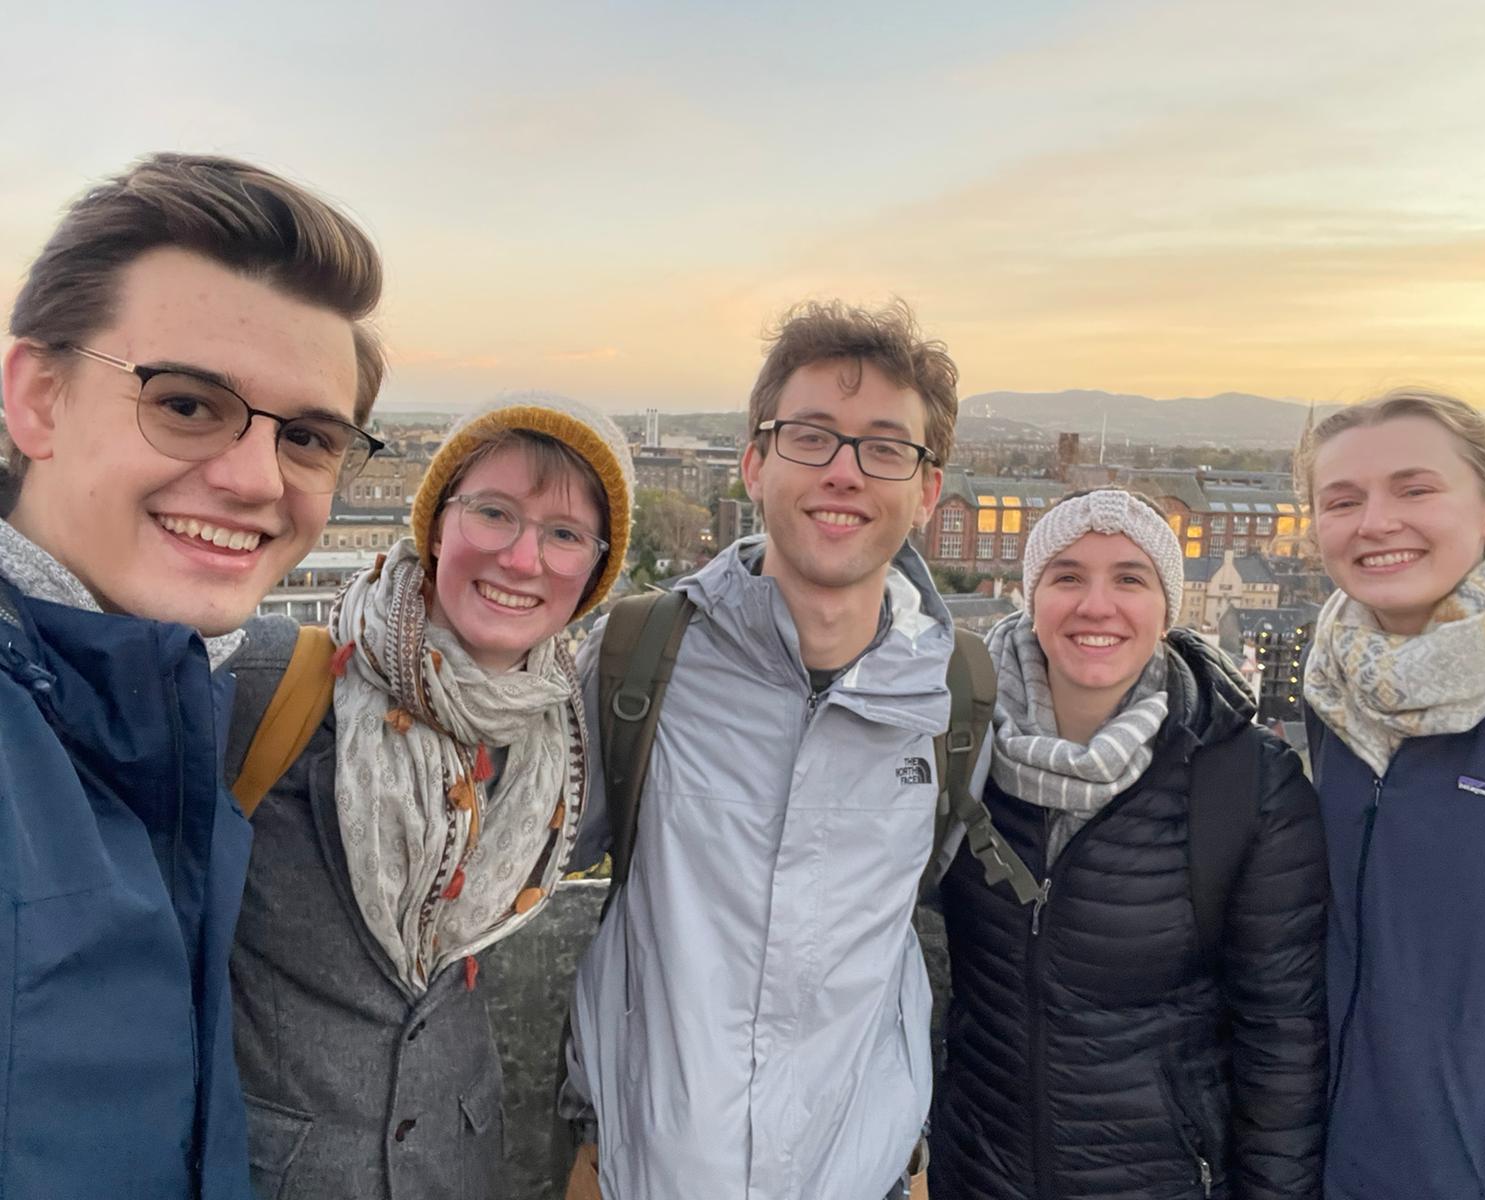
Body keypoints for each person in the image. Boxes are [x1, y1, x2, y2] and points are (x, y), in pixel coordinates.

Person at [0, 152, 384, 1198]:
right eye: (184, 405)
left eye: (307, 437)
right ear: (36, 397)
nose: (257, 479)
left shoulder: (176, 713)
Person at [561, 299, 960, 1200]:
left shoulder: (958, 699)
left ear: (927, 489)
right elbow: (512, 853)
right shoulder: (638, 661)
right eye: (812, 436)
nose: (847, 472)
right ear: (754, 463)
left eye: (886, 447)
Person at [224, 396, 633, 1199]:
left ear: (593, 569)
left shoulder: (562, 743)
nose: (523, 558)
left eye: (564, 533)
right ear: (437, 525)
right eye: (494, 512)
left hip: (459, 1164)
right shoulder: (270, 688)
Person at [931, 487, 1327, 1200]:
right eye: (1068, 576)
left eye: (1130, 578)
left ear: (1168, 608)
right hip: (978, 1172)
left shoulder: (1244, 784)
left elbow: (1283, 1047)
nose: (1096, 605)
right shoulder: (958, 749)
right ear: (1031, 595)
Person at [1297, 389, 1485, 1200]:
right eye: (1343, 500)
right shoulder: (1335, 690)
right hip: (1334, 1165)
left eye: (1415, 488)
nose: (1375, 522)